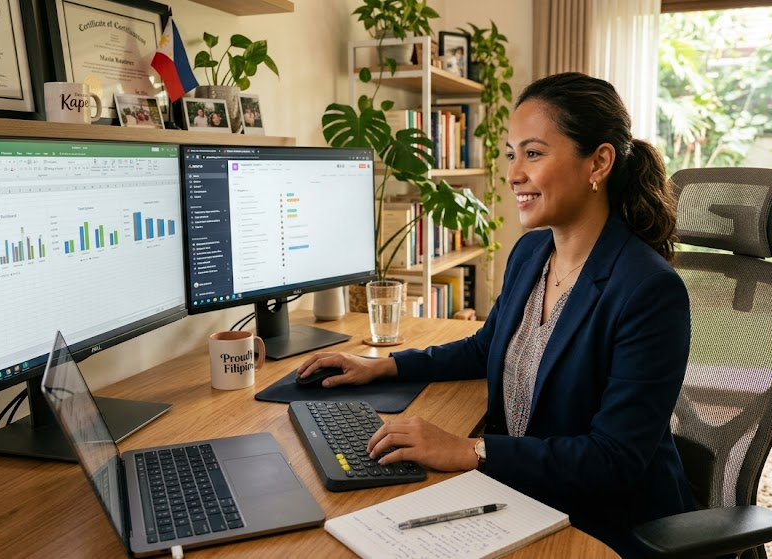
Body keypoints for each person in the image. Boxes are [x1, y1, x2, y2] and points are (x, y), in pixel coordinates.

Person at [296, 72, 694, 558]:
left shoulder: (649, 290)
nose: (512, 174)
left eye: (533, 153)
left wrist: (468, 450)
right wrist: (385, 365)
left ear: (599, 162)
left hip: (601, 524)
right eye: (511, 154)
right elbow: (487, 347)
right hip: (519, 493)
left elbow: (613, 459)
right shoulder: (530, 254)